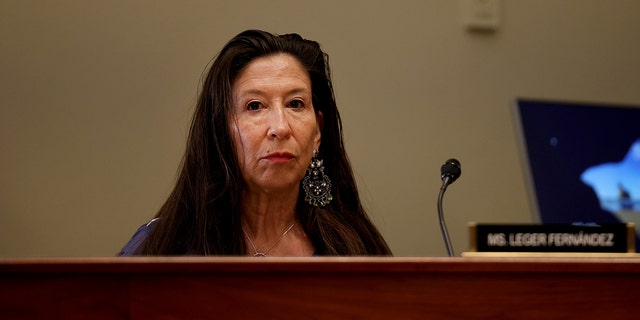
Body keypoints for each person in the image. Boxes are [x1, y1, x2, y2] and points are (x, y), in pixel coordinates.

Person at [119, 29, 391, 256]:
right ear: (221, 130)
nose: (280, 128)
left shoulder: (356, 251)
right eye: (255, 106)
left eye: (295, 104)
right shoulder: (160, 251)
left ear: (318, 131)